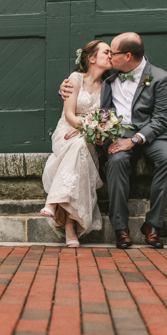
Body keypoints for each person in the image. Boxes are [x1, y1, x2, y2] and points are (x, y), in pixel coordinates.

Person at [60, 32, 167, 249]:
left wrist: (134, 139)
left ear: (126, 56)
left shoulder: (160, 78)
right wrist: (65, 87)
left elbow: (161, 119)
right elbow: (84, 79)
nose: (109, 57)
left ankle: (152, 225)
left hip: (151, 134)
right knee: (116, 161)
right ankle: (120, 229)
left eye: (112, 53)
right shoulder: (109, 75)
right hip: (118, 134)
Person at [40, 40, 112, 248]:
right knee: (78, 144)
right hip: (66, 131)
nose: (110, 56)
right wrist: (85, 127)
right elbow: (70, 115)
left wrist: (89, 130)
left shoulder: (109, 84)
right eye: (106, 52)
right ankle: (68, 225)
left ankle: (54, 204)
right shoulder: (74, 79)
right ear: (91, 58)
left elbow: (107, 118)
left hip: (86, 135)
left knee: (81, 145)